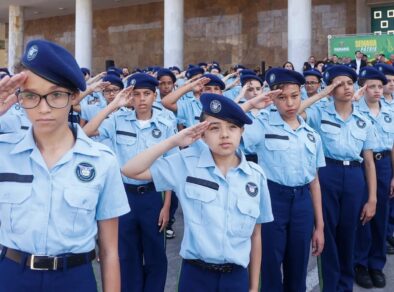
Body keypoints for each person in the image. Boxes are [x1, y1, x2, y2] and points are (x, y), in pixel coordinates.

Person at [0, 39, 130, 292]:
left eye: (56, 95)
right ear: (19, 97)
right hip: (11, 275)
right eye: (31, 96)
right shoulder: (4, 151)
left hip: (73, 279)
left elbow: (110, 250)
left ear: (73, 97)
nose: (44, 108)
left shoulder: (101, 160)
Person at [122, 93, 273, 292]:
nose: (225, 135)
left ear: (242, 131)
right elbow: (130, 169)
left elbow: (256, 235)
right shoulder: (186, 164)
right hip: (196, 277)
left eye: (232, 127)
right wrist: (173, 142)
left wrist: (254, 287)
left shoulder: (255, 176)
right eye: (214, 128)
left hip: (236, 278)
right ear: (202, 134)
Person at [84, 72, 177, 292]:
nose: (141, 99)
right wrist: (114, 105)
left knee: (155, 254)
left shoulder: (165, 123)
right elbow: (87, 132)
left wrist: (166, 206)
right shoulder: (117, 120)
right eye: (136, 94)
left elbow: (170, 167)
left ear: (154, 96)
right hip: (123, 195)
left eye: (146, 94)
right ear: (130, 97)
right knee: (127, 254)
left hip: (154, 195)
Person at [241, 68, 325, 291]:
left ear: (301, 95)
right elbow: (230, 129)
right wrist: (251, 105)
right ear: (271, 98)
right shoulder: (261, 125)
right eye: (282, 97)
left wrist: (320, 226)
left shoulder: (311, 135)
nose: (290, 103)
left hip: (302, 203)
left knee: (297, 265)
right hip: (272, 200)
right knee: (268, 264)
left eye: (295, 96)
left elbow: (314, 182)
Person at [298, 65, 377, 292]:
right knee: (328, 233)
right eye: (339, 84)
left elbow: (369, 161)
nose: (346, 88)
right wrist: (322, 93)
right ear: (331, 89)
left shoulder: (363, 119)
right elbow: (296, 112)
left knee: (349, 232)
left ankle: (345, 286)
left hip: (354, 175)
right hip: (327, 173)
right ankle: (330, 286)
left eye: (349, 83)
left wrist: (372, 198)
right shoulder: (320, 113)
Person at [353, 67, 393, 289]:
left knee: (381, 215)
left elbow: (393, 144)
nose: (378, 90)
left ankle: (376, 264)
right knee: (363, 214)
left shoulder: (389, 110)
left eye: (380, 86)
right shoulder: (354, 110)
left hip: (384, 164)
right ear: (363, 88)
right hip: (362, 165)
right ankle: (360, 263)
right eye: (372, 86)